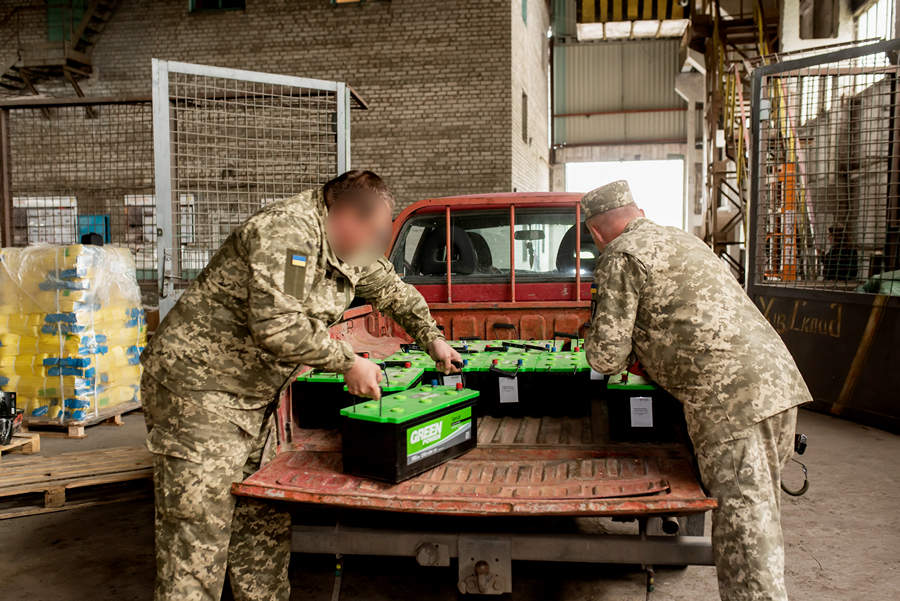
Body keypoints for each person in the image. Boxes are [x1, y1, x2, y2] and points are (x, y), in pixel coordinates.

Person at [140, 170, 462, 601]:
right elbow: (275, 325)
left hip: (256, 398)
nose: (376, 246)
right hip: (199, 393)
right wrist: (347, 363)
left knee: (263, 520)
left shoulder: (350, 247)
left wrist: (432, 338)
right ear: (345, 215)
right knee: (198, 537)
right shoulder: (284, 233)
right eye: (374, 234)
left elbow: (391, 289)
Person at [582, 180, 811, 601]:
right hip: (777, 383)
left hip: (729, 402)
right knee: (759, 517)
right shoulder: (681, 239)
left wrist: (597, 339)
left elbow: (605, 356)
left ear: (595, 232)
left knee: (743, 534)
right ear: (638, 210)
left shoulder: (621, 254)